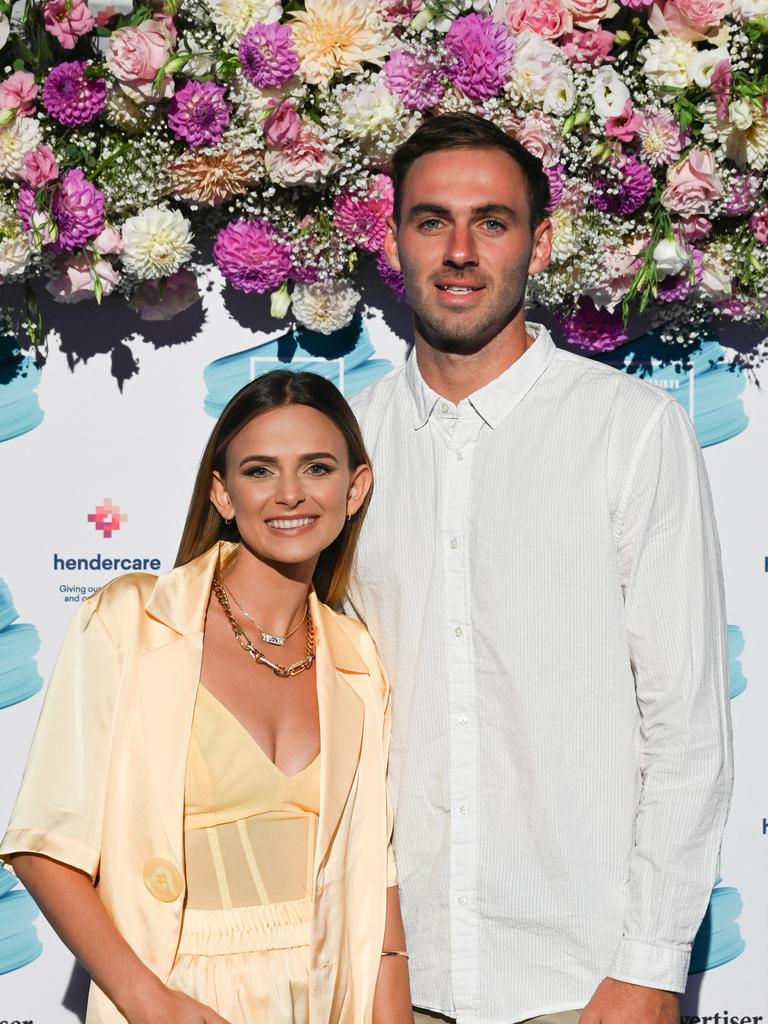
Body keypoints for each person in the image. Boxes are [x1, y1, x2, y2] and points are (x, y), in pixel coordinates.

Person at [346, 113, 733, 1024]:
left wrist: (647, 971)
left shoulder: (631, 430)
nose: (460, 250)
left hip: (584, 983)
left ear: (541, 241)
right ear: (396, 239)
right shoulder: (343, 444)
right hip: (392, 983)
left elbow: (686, 730)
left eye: (493, 221)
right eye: (431, 220)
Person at [0, 370, 412, 1024]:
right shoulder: (131, 623)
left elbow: (377, 876)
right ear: (222, 493)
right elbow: (45, 845)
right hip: (180, 995)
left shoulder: (358, 657)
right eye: (258, 471)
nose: (289, 495)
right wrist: (150, 1002)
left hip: (329, 997)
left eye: (316, 468)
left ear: (354, 488)